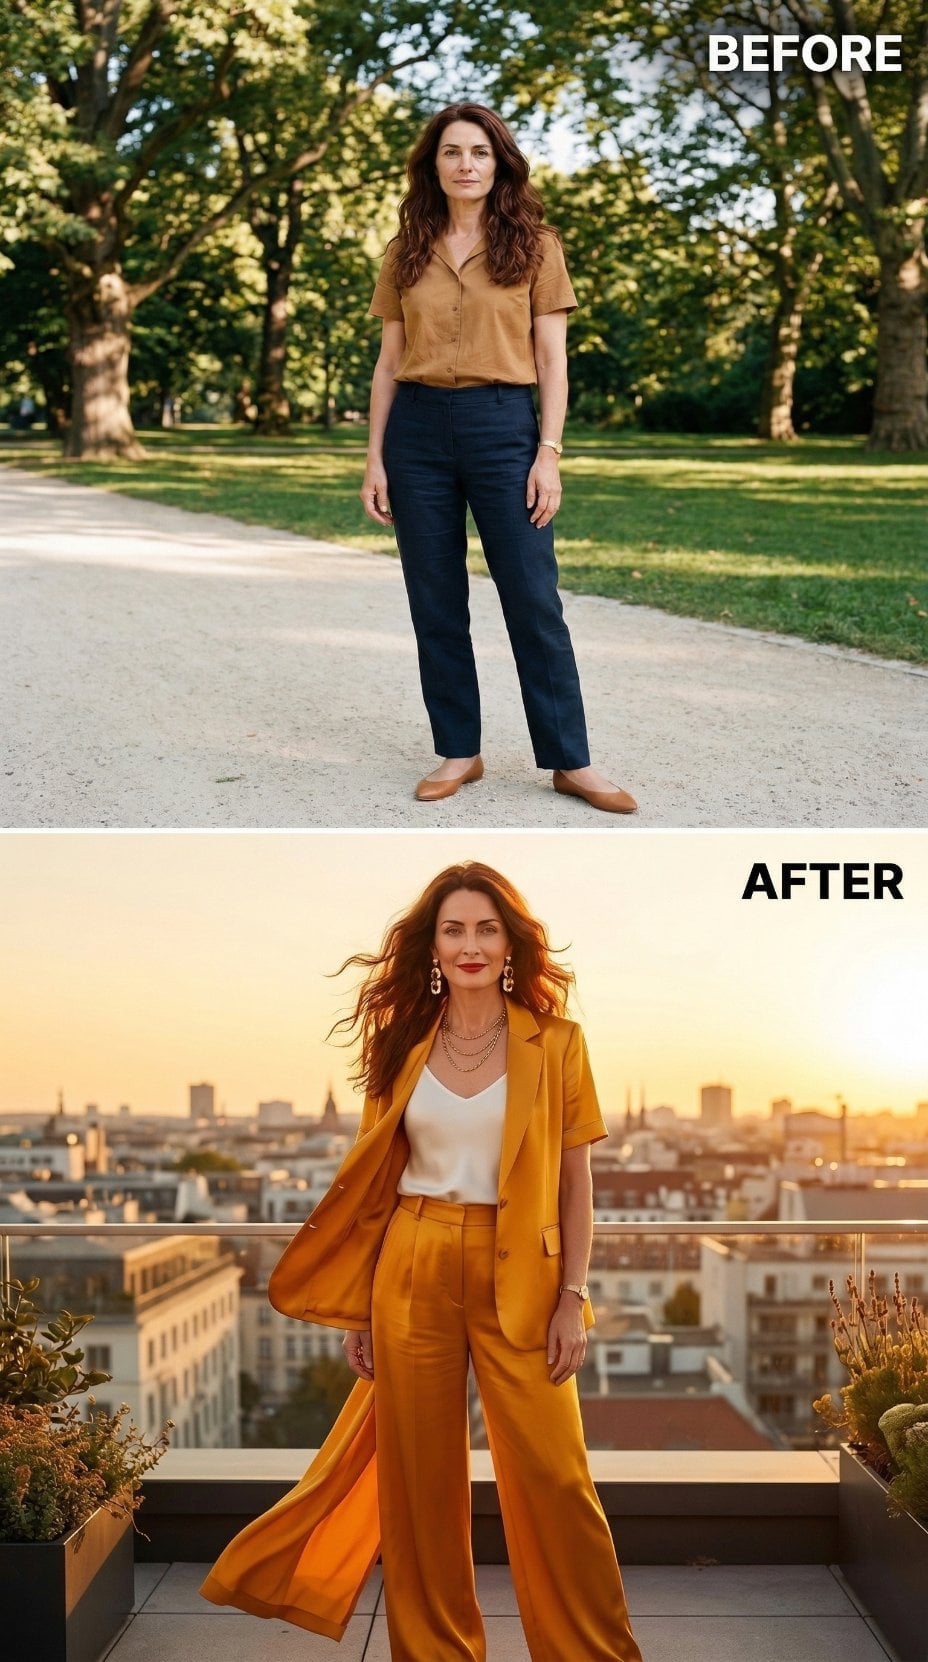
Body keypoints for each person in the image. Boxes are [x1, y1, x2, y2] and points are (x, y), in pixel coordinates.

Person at [200, 861, 643, 1662]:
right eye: (454, 930)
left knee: (556, 1482)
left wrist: (574, 1294)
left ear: (510, 943)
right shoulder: (400, 1041)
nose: (470, 945)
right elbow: (374, 1183)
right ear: (431, 947)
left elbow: (577, 1178)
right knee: (419, 1490)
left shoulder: (559, 1044)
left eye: (485, 929)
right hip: (410, 1261)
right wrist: (360, 1307)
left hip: (528, 1276)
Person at [360, 104, 637, 816]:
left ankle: (571, 760)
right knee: (435, 599)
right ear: (433, 166)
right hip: (416, 432)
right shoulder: (407, 249)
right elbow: (389, 361)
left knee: (533, 599)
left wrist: (549, 452)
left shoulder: (536, 245)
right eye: (451, 153)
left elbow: (552, 359)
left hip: (504, 428)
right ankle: (460, 749)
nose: (466, 165)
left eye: (479, 152)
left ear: (499, 162)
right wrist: (375, 458)